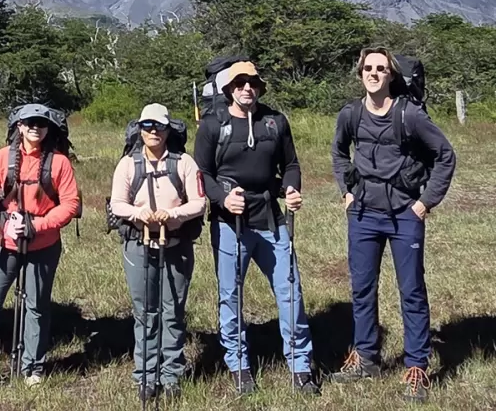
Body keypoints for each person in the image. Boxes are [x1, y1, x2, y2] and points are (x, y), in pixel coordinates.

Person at [331, 48, 456, 404]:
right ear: (360, 74)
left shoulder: (410, 115)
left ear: (391, 75)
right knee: (362, 289)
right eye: (368, 68)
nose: (373, 73)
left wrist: (424, 202)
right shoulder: (351, 114)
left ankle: (416, 366)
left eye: (381, 69)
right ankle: (367, 357)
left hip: (404, 213)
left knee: (412, 291)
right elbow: (339, 152)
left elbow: (445, 156)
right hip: (363, 214)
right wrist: (346, 192)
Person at [193, 61, 318, 396]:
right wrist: (220, 198)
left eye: (253, 83)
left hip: (270, 218)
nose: (247, 88)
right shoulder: (212, 125)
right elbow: (201, 172)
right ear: (228, 89)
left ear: (260, 87)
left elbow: (290, 164)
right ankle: (238, 366)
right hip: (229, 222)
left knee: (291, 291)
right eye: (240, 83)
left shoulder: (275, 122)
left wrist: (291, 188)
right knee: (231, 296)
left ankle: (300, 366)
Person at [0, 104, 80, 390]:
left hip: (43, 244)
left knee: (36, 306)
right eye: (29, 123)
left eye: (41, 123)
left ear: (48, 129)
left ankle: (33, 368)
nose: (35, 127)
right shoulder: (2, 157)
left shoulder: (59, 163)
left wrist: (38, 226)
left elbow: (71, 204)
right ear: (19, 127)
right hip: (4, 243)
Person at [110, 103, 205, 400]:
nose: (153, 131)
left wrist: (171, 214)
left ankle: (172, 374)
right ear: (140, 129)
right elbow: (116, 204)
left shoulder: (184, 163)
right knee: (145, 312)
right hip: (139, 244)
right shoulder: (128, 164)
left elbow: (199, 202)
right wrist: (140, 215)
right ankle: (146, 375)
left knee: (173, 311)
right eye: (147, 126)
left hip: (176, 244)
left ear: (167, 130)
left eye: (158, 126)